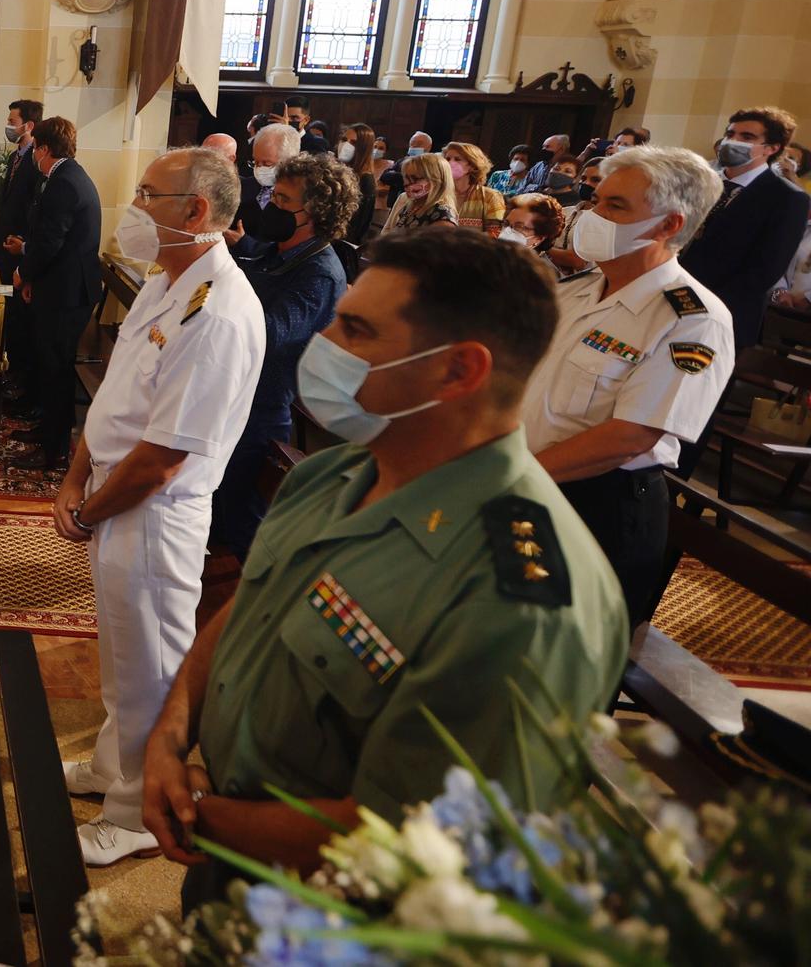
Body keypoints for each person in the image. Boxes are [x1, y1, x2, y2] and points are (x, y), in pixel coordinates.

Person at [139, 230, 629, 891]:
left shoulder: (519, 597)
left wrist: (200, 815)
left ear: (459, 369)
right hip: (228, 861)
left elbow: (417, 835)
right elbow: (250, 605)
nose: (324, 342)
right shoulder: (336, 472)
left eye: (356, 329)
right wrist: (169, 737)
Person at [56, 147, 264, 865]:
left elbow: (163, 454)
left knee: (151, 665)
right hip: (117, 490)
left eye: (148, 193)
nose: (136, 206)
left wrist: (88, 510)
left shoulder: (222, 313)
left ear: (195, 211)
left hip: (153, 509)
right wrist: (76, 474)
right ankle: (113, 770)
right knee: (121, 654)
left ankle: (136, 811)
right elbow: (117, 390)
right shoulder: (166, 280)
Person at [521, 146, 733, 631]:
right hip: (531, 485)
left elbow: (631, 435)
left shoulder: (692, 320)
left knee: (568, 663)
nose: (594, 215)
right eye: (597, 201)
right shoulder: (576, 290)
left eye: (615, 207)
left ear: (668, 225)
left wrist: (513, 475)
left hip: (598, 505)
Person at [213, 152, 356, 561]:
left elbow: (270, 334)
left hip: (263, 404)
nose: (273, 208)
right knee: (219, 505)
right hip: (235, 390)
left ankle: (260, 593)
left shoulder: (320, 273)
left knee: (242, 511)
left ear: (315, 213)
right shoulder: (276, 250)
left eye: (283, 202)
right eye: (273, 197)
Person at [13, 118, 103, 471]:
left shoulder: (64, 183)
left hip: (68, 293)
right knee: (50, 364)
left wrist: (23, 273)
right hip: (61, 286)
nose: (34, 154)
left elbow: (50, 242)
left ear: (45, 148)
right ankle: (48, 430)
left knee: (56, 368)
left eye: (35, 147)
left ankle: (54, 450)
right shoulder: (67, 176)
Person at [682, 106, 809, 349]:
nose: (733, 141)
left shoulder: (786, 198)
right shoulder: (700, 184)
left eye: (747, 137)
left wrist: (697, 306)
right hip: (668, 298)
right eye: (730, 134)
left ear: (772, 148)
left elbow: (764, 271)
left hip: (723, 313)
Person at [0, 100, 44, 404]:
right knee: (9, 309)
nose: (9, 124)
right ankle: (9, 365)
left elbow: (32, 209)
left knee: (20, 316)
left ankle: (19, 374)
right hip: (6, 244)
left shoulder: (35, 162)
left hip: (21, 246)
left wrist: (24, 246)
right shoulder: (16, 156)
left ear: (28, 125)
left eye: (13, 120)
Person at [232, 121, 300, 236]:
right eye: (256, 162)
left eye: (267, 163)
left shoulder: (298, 200)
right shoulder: (241, 188)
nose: (259, 168)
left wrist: (244, 243)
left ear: (289, 161)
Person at [380, 151, 457, 233]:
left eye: (415, 178)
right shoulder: (411, 205)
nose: (407, 183)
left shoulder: (441, 215)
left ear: (436, 180)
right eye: (406, 177)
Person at [443, 141, 505, 235]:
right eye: (447, 159)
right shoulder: (438, 194)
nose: (449, 163)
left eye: (457, 159)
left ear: (472, 166)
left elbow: (496, 233)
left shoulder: (490, 196)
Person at [501, 192, 568, 275]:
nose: (507, 231)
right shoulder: (502, 261)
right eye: (506, 224)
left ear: (539, 238)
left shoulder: (541, 276)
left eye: (519, 227)